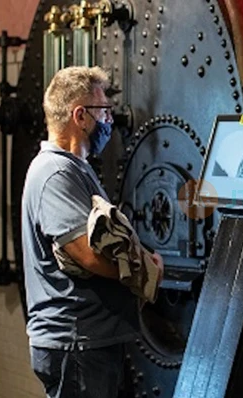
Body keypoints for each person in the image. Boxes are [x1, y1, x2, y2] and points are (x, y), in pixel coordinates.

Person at [21, 66, 161, 398]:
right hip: (76, 342)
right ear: (81, 116)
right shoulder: (55, 173)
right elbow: (87, 255)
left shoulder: (74, 169)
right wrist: (145, 271)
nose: (109, 122)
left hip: (88, 341)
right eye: (104, 113)